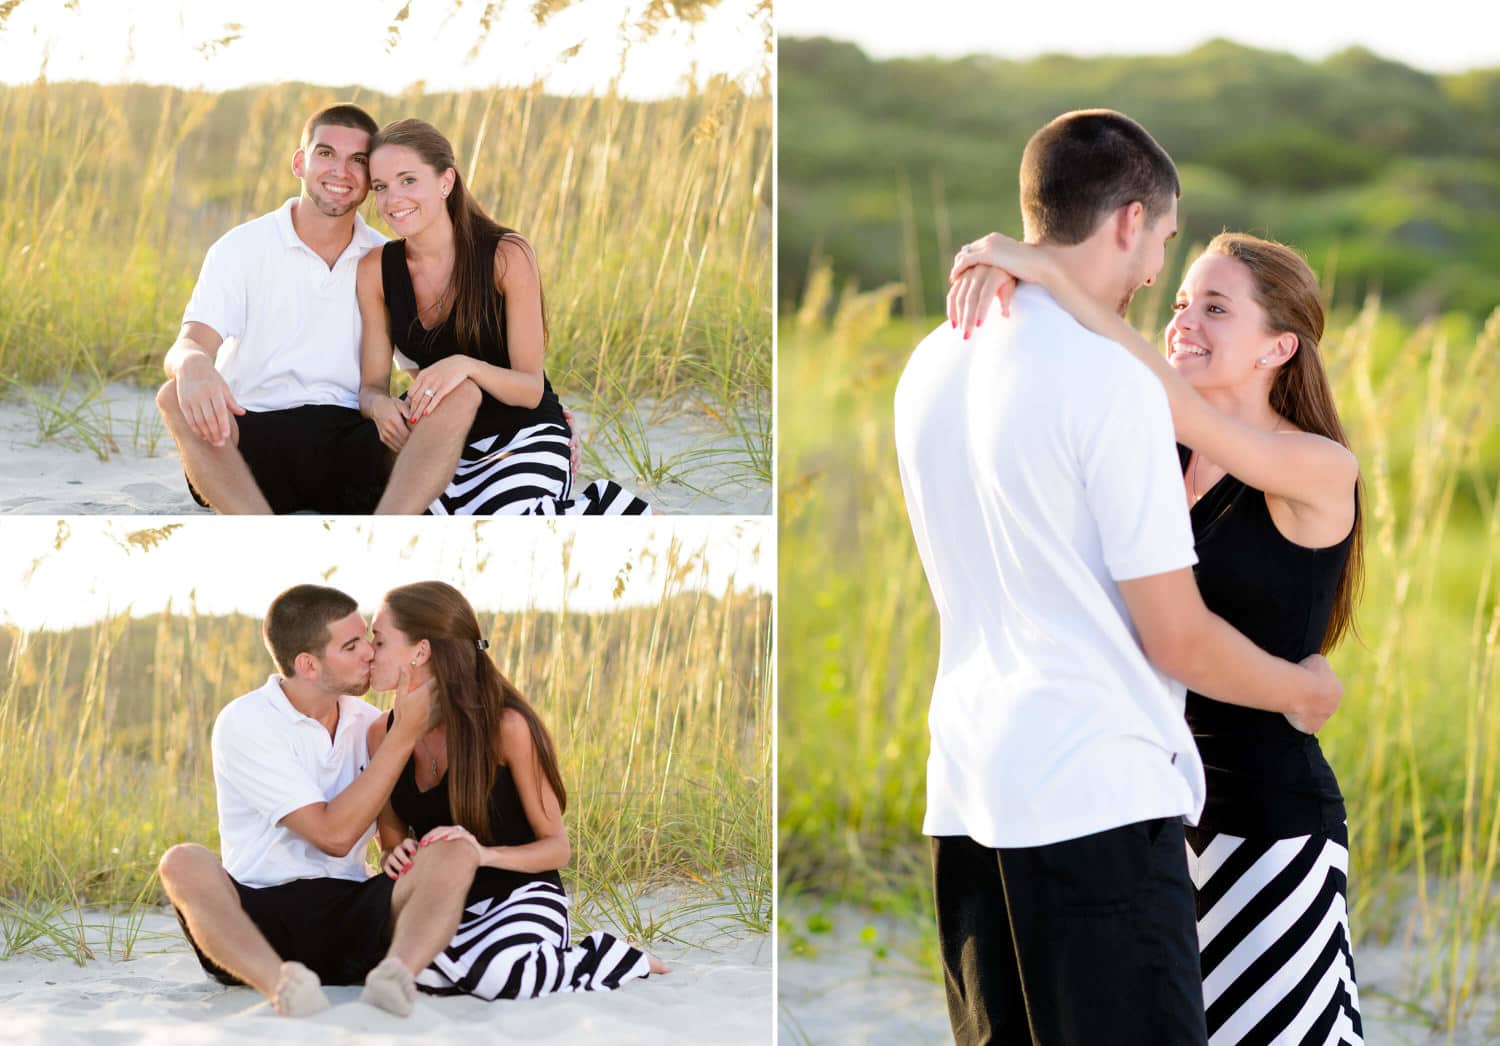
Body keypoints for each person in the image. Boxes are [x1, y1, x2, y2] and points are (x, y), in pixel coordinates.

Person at [892, 109, 1347, 1046]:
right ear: (1132, 223)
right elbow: (1172, 633)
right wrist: (1305, 684)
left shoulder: (937, 359)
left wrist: (1045, 268)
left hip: (1241, 819)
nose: (1170, 305)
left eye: (1213, 307)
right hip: (1120, 802)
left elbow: (1172, 405)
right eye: (1175, 284)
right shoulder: (1130, 408)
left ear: (1278, 347)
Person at [157, 584, 485, 1017]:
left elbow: (404, 830)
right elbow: (333, 836)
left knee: (454, 851)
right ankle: (283, 986)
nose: (370, 652)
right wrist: (403, 735)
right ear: (308, 665)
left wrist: (397, 849)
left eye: (368, 638)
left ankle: (397, 974)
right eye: (352, 646)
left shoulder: (371, 723)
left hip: (353, 910)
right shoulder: (247, 721)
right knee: (182, 861)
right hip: (259, 917)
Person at [154, 104, 492, 515]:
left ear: (371, 179)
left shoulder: (386, 259)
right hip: (249, 437)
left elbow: (427, 372)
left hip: (354, 441)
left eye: (358, 161)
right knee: (174, 394)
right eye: (326, 153)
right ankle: (257, 527)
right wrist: (192, 365)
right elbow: (189, 343)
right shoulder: (241, 247)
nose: (340, 171)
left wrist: (534, 417)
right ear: (300, 162)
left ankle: (387, 525)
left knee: (461, 392)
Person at [364, 581, 666, 1000]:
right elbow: (391, 832)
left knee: (500, 975)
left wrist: (482, 854)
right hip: (445, 901)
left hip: (520, 893)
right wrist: (391, 852)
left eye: (378, 641)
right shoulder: (382, 733)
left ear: (421, 650)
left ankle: (607, 957)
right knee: (421, 973)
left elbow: (557, 848)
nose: (367, 651)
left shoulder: (506, 728)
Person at [356, 119, 650, 515]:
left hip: (520, 432)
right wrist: (379, 406)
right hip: (439, 439)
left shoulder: (505, 255)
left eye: (408, 180)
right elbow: (371, 386)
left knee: (512, 515)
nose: (393, 199)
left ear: (446, 182)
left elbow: (529, 387)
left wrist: (463, 366)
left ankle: (611, 510)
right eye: (381, 186)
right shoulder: (376, 269)